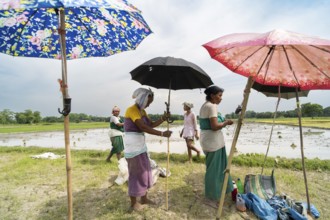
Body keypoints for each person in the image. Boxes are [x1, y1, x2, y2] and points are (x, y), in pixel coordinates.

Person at [123, 88, 172, 211]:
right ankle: (133, 203)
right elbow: (142, 126)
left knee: (145, 171)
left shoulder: (142, 111)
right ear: (143, 99)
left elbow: (150, 124)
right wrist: (162, 134)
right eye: (149, 101)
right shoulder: (132, 110)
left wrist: (163, 118)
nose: (149, 104)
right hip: (133, 146)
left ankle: (144, 198)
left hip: (141, 145)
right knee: (135, 173)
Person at [199, 85, 235, 203]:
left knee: (216, 168)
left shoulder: (204, 106)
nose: (221, 98)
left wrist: (223, 122)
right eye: (219, 95)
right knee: (214, 170)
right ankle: (211, 195)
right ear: (212, 95)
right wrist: (226, 123)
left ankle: (221, 190)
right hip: (213, 142)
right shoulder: (212, 106)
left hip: (208, 141)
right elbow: (214, 126)